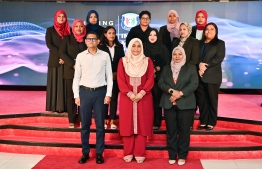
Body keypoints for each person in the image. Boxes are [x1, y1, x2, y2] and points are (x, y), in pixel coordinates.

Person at [73, 31, 113, 164]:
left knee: (100, 125)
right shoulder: (80, 56)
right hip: (84, 92)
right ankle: (85, 152)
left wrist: (108, 94)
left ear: (98, 41)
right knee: (85, 125)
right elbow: (76, 77)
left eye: (93, 39)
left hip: (100, 93)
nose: (91, 41)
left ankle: (99, 153)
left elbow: (110, 77)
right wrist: (76, 95)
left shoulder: (105, 55)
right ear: (85, 41)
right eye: (88, 39)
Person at [158, 46, 198, 166]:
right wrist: (171, 91)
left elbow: (194, 84)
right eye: (175, 54)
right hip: (169, 104)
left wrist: (179, 93)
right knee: (171, 131)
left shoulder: (190, 68)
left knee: (184, 131)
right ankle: (172, 154)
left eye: (180, 54)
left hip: (186, 104)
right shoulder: (166, 68)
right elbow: (161, 83)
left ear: (184, 55)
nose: (177, 56)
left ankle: (182, 155)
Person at [117, 38, 154, 163]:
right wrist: (130, 93)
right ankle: (128, 152)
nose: (136, 49)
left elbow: (150, 79)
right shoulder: (123, 61)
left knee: (142, 124)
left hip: (144, 98)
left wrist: (142, 93)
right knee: (128, 124)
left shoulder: (147, 61)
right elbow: (121, 80)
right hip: (127, 98)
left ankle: (139, 152)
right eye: (134, 46)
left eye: (139, 46)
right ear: (130, 47)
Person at [195, 22, 225, 131]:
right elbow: (195, 56)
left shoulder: (220, 44)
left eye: (212, 29)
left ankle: (211, 121)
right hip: (200, 76)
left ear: (216, 31)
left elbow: (218, 58)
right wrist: (199, 64)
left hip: (213, 76)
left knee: (212, 100)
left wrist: (204, 66)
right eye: (207, 29)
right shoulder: (199, 43)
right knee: (202, 100)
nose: (209, 31)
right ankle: (203, 120)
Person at [59, 19, 87, 128]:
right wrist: (73, 64)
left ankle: (81, 119)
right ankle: (71, 119)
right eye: (76, 26)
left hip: (85, 72)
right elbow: (62, 52)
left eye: (81, 26)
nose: (79, 28)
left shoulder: (87, 39)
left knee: (83, 96)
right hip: (70, 71)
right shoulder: (67, 39)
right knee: (71, 96)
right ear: (73, 28)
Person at [98, 26, 125, 129]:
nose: (112, 35)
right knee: (104, 99)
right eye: (109, 33)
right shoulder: (100, 47)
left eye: (113, 33)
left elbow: (122, 61)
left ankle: (112, 121)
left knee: (114, 98)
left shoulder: (120, 46)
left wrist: (117, 73)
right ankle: (104, 120)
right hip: (104, 77)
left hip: (116, 77)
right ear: (105, 34)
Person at [143, 28, 170, 130]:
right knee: (145, 100)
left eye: (155, 35)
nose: (152, 37)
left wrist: (157, 69)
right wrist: (150, 71)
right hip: (145, 77)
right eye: (150, 35)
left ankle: (156, 122)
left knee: (156, 100)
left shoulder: (162, 48)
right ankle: (145, 121)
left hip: (158, 78)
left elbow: (166, 62)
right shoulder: (144, 47)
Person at [45, 10, 70, 113]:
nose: (61, 18)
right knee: (54, 84)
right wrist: (61, 56)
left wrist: (64, 58)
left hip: (66, 61)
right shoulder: (50, 30)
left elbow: (70, 45)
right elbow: (50, 45)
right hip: (55, 60)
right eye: (59, 16)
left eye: (63, 16)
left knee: (65, 85)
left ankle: (64, 107)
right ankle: (54, 107)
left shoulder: (69, 30)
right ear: (55, 18)